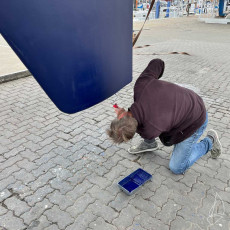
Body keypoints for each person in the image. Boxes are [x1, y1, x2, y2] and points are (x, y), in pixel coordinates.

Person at [107, 59, 222, 175]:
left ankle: (210, 141)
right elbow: (158, 62)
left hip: (195, 120)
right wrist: (154, 89)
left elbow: (168, 141)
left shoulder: (150, 129)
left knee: (177, 167)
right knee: (148, 123)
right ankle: (150, 144)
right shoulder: (141, 85)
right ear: (121, 113)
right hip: (191, 99)